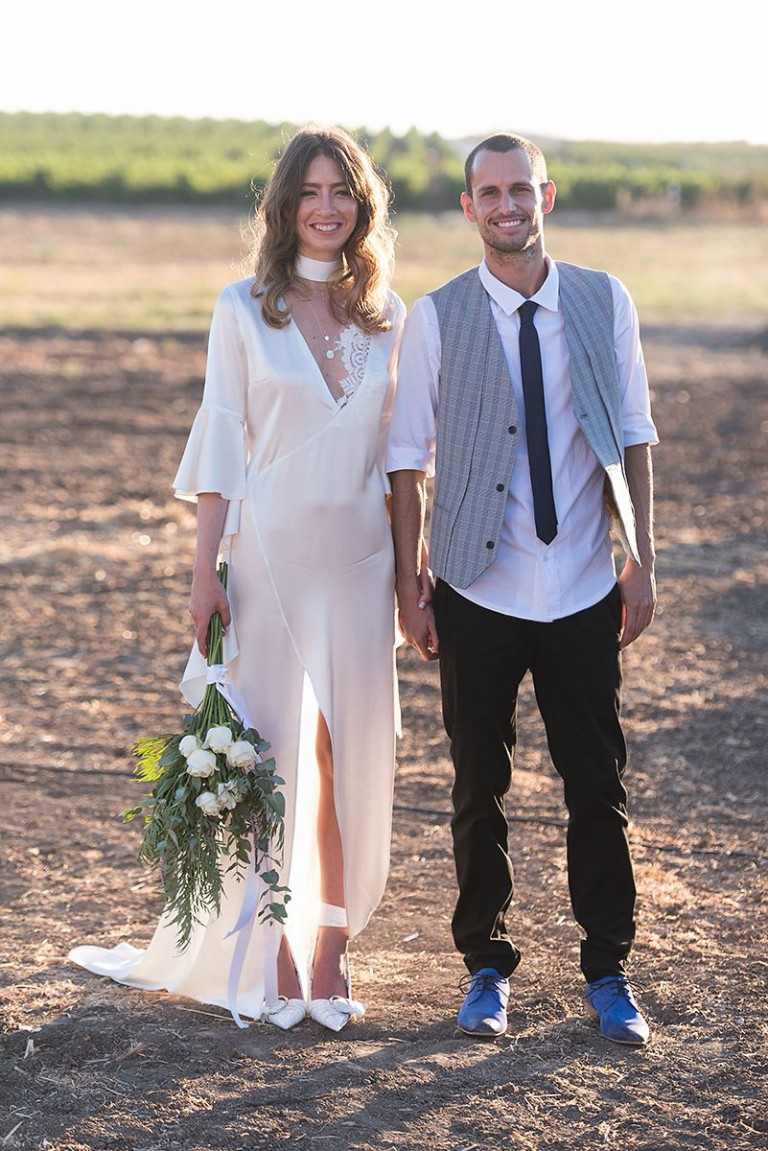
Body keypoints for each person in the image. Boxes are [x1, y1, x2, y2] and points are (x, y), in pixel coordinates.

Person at [69, 126, 406, 1032]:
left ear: (362, 205)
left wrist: (413, 576)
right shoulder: (243, 309)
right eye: (311, 192)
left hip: (363, 564)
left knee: (346, 753)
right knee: (273, 756)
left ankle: (330, 943)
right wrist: (203, 575)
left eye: (342, 191)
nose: (327, 207)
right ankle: (273, 946)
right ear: (285, 205)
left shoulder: (390, 316)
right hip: (268, 559)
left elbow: (404, 458)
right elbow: (222, 446)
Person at [387, 133, 658, 1045]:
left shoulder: (605, 297)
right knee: (478, 787)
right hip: (477, 585)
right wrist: (411, 585)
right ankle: (485, 967)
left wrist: (642, 557)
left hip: (583, 582)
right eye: (489, 192)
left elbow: (634, 430)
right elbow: (407, 461)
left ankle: (609, 969)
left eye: (521, 189)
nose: (507, 205)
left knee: (598, 785)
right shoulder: (438, 316)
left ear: (547, 195)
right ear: (470, 207)